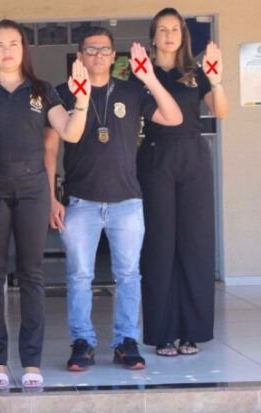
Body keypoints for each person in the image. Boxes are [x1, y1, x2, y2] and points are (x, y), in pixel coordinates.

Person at [43, 27, 183, 372]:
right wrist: (50, 196)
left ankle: (125, 341)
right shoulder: (61, 93)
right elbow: (49, 147)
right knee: (78, 276)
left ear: (113, 55)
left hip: (127, 201)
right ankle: (82, 343)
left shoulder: (132, 91)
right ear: (80, 56)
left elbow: (174, 117)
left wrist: (148, 76)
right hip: (80, 201)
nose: (99, 56)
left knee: (129, 275)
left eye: (105, 50)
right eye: (91, 50)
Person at [0, 19, 87, 390]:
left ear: (23, 49)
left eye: (13, 43)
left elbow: (70, 132)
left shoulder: (42, 91)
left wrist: (83, 99)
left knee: (32, 274)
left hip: (32, 188)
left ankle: (31, 361)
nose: (7, 50)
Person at [137, 8, 228, 357]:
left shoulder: (196, 73)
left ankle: (192, 331)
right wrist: (147, 77)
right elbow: (157, 115)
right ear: (154, 35)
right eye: (162, 29)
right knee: (160, 245)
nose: (169, 35)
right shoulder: (141, 75)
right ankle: (162, 333)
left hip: (194, 157)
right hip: (157, 157)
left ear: (183, 35)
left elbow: (220, 111)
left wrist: (217, 80)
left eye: (175, 29)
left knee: (195, 244)